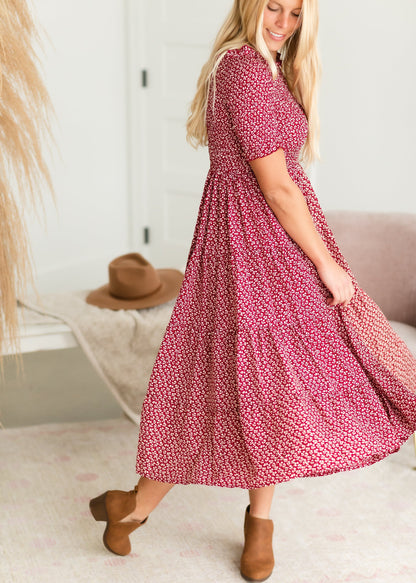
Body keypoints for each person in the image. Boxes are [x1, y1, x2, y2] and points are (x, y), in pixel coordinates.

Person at [89, 1, 416, 581]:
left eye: (295, 13)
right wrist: (328, 266)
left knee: (273, 387)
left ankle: (255, 521)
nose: (283, 23)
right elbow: (277, 185)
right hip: (249, 245)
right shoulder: (242, 67)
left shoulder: (273, 66)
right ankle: (135, 507)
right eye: (273, 7)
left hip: (275, 242)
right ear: (249, 4)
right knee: (220, 384)